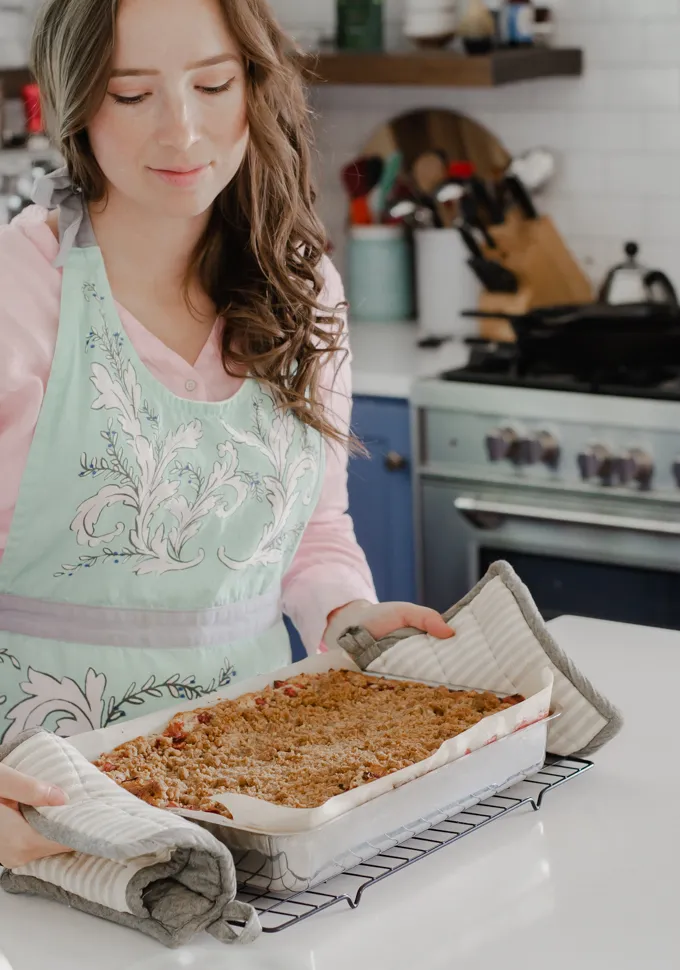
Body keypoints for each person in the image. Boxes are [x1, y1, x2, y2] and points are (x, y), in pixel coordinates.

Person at [0, 0, 454, 869]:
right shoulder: (19, 294)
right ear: (74, 103)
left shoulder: (300, 285)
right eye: (132, 95)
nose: (183, 129)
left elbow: (313, 530)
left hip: (247, 790)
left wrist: (348, 617)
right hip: (39, 813)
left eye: (214, 84)